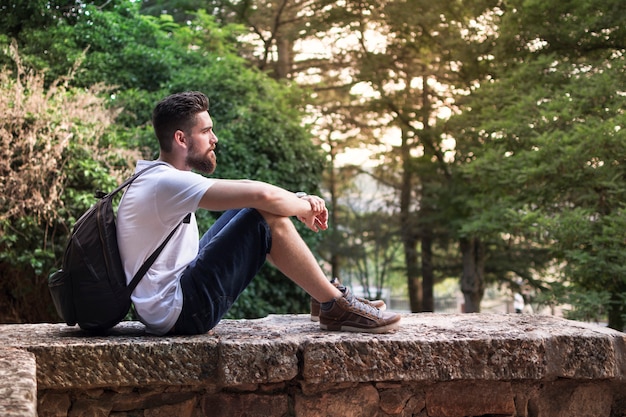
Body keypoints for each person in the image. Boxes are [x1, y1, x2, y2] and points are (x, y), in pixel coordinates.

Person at [116, 91, 401, 336]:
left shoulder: (154, 175)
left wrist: (298, 200)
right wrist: (304, 209)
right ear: (181, 138)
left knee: (255, 207)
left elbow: (248, 189)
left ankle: (326, 295)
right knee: (263, 216)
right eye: (205, 131)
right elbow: (261, 196)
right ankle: (335, 306)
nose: (214, 139)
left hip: (164, 305)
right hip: (180, 312)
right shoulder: (167, 182)